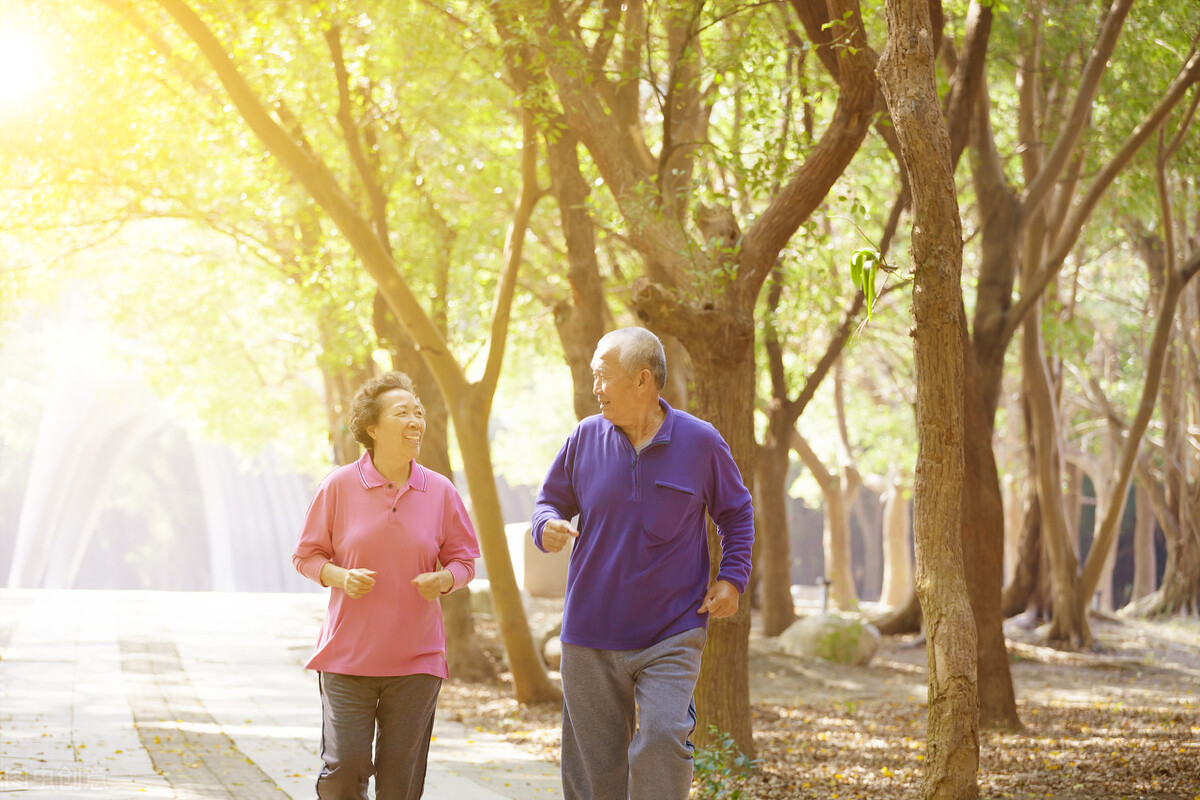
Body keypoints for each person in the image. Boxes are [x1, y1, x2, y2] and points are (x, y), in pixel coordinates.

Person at [531, 327, 755, 800]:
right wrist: (545, 525)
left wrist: (732, 579)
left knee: (661, 737)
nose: (595, 388)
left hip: (672, 628)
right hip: (590, 631)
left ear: (642, 380)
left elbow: (736, 513)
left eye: (602, 376)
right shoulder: (584, 438)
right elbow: (548, 501)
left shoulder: (701, 442)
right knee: (595, 771)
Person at [292, 371, 480, 800]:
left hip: (416, 661)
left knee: (400, 783)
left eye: (419, 412)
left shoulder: (440, 491)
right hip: (347, 658)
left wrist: (446, 578)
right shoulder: (339, 486)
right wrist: (339, 576)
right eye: (402, 413)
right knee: (345, 767)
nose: (415, 420)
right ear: (373, 428)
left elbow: (464, 561)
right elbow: (305, 556)